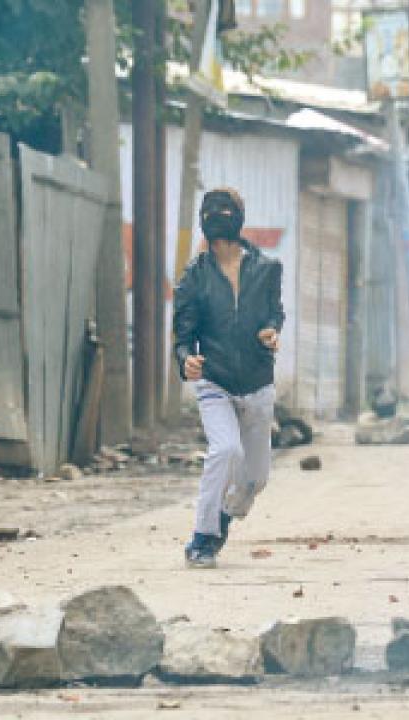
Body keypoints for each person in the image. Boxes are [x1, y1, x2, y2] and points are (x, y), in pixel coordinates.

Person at [174, 188, 284, 569]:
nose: (220, 215)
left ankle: (221, 519)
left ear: (240, 217)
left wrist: (271, 330)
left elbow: (275, 314)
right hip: (215, 382)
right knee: (226, 451)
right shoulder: (193, 278)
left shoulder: (268, 269)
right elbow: (183, 339)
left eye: (227, 209)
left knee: (256, 478)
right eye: (212, 210)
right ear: (203, 219)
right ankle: (202, 539)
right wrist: (187, 361)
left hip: (258, 382)